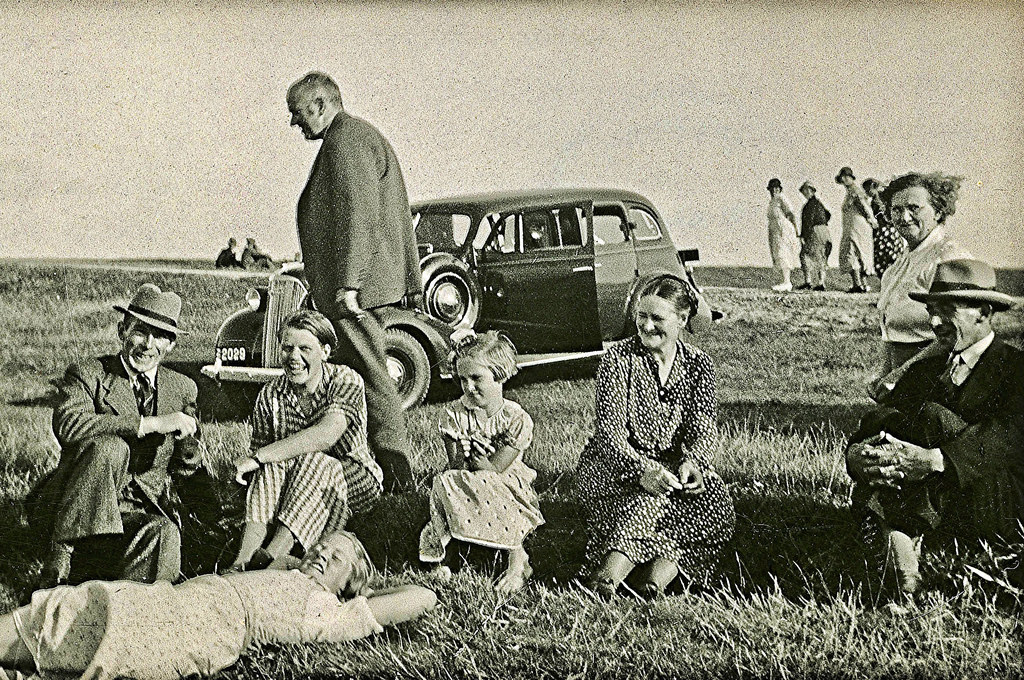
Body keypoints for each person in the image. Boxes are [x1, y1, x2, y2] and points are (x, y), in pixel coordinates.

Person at [0, 531, 437, 680]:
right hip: (167, 600)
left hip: (197, 630)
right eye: (321, 545)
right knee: (70, 608)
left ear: (349, 584)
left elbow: (423, 597)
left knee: (102, 638)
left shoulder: (325, 611)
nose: (321, 553)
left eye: (336, 557)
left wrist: (364, 598)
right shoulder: (288, 572)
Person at [846, 259, 1023, 598]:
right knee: (894, 431)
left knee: (931, 417)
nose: (934, 323)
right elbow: (883, 419)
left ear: (983, 313)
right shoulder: (925, 370)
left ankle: (895, 542)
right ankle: (904, 563)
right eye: (931, 311)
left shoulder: (1015, 369)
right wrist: (856, 454)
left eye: (947, 311)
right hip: (945, 508)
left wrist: (935, 460)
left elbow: (1011, 435)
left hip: (998, 504)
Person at [288, 71, 422, 493]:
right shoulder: (352, 136)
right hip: (360, 286)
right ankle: (364, 471)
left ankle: (398, 477)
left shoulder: (345, 141)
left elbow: (359, 217)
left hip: (356, 291)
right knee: (354, 377)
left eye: (297, 112)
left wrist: (349, 285)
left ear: (321, 104)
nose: (294, 122)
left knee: (371, 377)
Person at [31, 284, 206, 588]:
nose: (148, 345)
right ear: (122, 330)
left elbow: (186, 470)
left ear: (171, 344)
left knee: (164, 533)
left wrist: (190, 454)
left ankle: (125, 605)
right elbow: (70, 425)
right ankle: (58, 566)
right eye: (140, 331)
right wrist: (148, 424)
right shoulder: (88, 374)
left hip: (130, 518)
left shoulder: (182, 389)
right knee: (111, 448)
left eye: (160, 336)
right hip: (73, 516)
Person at [575, 278, 735, 598]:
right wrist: (641, 471)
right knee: (650, 500)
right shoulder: (618, 360)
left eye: (657, 318)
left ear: (682, 319)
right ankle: (608, 575)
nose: (646, 326)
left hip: (671, 467)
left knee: (716, 503)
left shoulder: (698, 365)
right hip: (613, 466)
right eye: (641, 316)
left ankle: (654, 579)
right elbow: (609, 433)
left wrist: (694, 462)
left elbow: (703, 427)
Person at [228, 310, 383, 572]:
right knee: (270, 465)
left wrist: (258, 456)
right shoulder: (271, 393)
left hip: (352, 477)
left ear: (325, 351)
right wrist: (258, 461)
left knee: (315, 461)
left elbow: (327, 434)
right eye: (287, 348)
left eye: (305, 349)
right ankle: (241, 562)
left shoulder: (345, 379)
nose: (294, 357)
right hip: (296, 484)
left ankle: (271, 560)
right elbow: (261, 458)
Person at [418, 330, 543, 594]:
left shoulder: (515, 418)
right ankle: (445, 555)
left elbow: (497, 467)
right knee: (444, 482)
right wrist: (463, 456)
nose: (468, 387)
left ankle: (517, 558)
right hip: (469, 473)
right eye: (463, 379)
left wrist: (481, 459)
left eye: (476, 378)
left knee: (490, 481)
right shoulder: (455, 414)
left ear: (499, 375)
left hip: (505, 478)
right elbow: (455, 465)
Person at [873, 172, 972, 387]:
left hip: (939, 379)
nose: (904, 217)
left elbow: (959, 334)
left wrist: (901, 375)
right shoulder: (899, 265)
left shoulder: (949, 257)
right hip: (904, 380)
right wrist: (882, 375)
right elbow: (890, 334)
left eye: (914, 208)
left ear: (938, 211)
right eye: (896, 210)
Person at [835, 166, 876, 293]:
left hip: (857, 225)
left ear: (850, 178)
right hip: (852, 225)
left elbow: (864, 206)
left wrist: (871, 219)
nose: (844, 180)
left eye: (846, 177)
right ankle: (860, 284)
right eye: (843, 178)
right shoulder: (850, 192)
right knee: (856, 251)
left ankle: (858, 284)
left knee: (853, 250)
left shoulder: (855, 191)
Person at [863, 178, 905, 278]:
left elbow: (883, 216)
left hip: (885, 231)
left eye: (868, 190)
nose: (867, 192)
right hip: (886, 231)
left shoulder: (879, 201)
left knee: (885, 257)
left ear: (873, 188)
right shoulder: (879, 200)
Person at [797, 180, 833, 291]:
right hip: (824, 231)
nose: (805, 192)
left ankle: (809, 282)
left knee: (804, 255)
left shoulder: (810, 205)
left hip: (815, 230)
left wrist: (804, 236)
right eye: (804, 191)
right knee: (820, 256)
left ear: (812, 191)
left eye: (807, 190)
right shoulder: (818, 203)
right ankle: (821, 282)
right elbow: (828, 214)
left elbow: (809, 221)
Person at [765, 178, 800, 292]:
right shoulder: (772, 202)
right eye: (772, 188)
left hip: (783, 229)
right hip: (774, 229)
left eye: (776, 188)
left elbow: (790, 213)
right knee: (777, 254)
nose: (774, 190)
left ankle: (787, 282)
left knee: (783, 252)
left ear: (779, 189)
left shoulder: (781, 198)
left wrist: (795, 230)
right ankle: (783, 281)